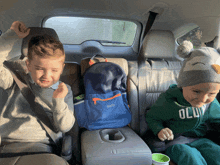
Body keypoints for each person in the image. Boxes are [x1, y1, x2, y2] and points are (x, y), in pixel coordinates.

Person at [0, 21, 75, 155]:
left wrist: (58, 101)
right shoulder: (15, 79)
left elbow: (65, 126)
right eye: (40, 69)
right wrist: (11, 36)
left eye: (54, 70)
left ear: (62, 69)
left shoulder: (64, 90)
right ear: (28, 65)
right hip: (6, 145)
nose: (47, 75)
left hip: (42, 148)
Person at [146, 40, 220, 165]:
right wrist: (160, 130)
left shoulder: (211, 104)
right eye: (196, 91)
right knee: (191, 158)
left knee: (216, 153)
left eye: (211, 94)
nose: (203, 99)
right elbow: (152, 117)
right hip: (175, 143)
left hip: (201, 140)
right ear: (183, 85)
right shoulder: (169, 100)